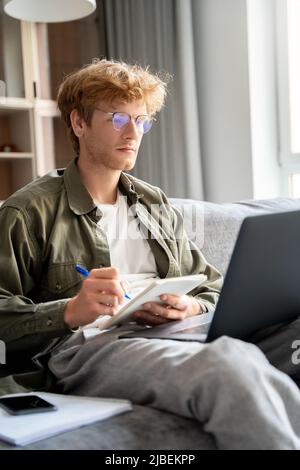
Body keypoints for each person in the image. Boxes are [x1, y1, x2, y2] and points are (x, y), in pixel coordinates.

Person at [0, 59, 300, 449]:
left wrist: (190, 308)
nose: (133, 133)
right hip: (91, 347)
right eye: (117, 119)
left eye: (142, 121)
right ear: (79, 123)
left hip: (175, 332)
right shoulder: (29, 211)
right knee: (225, 364)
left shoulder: (151, 201)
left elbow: (210, 284)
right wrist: (70, 311)